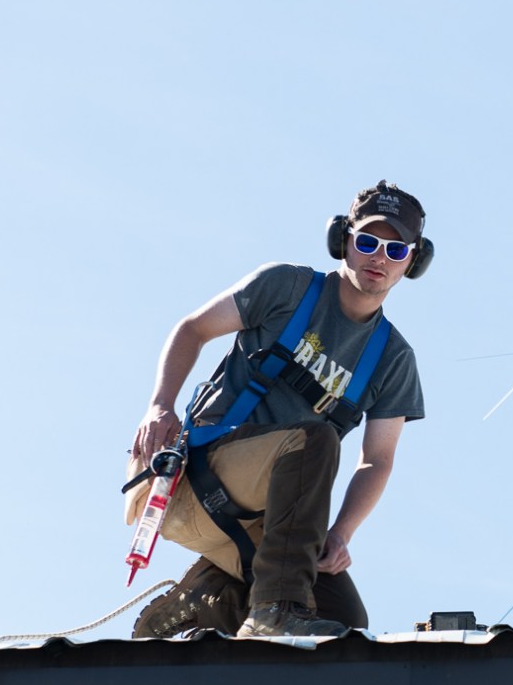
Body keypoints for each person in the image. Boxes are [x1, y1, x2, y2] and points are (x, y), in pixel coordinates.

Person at [127, 181, 430, 638]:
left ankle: (207, 600)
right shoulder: (286, 288)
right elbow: (192, 329)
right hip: (193, 479)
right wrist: (159, 406)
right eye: (367, 242)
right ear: (342, 241)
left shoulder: (393, 358)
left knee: (343, 621)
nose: (379, 258)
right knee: (315, 439)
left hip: (270, 523)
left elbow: (377, 460)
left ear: (413, 261)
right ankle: (273, 609)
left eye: (395, 249)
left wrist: (342, 532)